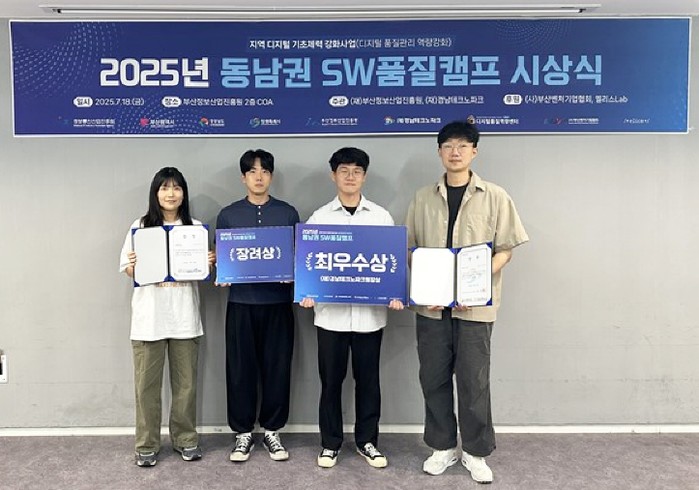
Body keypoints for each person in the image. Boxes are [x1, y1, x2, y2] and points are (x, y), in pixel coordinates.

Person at [405, 121, 529, 483]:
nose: (455, 152)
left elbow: (506, 249)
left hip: (475, 307)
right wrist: (432, 283)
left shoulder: (495, 196)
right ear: (439, 152)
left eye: (462, 146)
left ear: (474, 151)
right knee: (433, 378)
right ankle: (442, 447)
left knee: (474, 382)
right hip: (431, 308)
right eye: (448, 146)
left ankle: (475, 452)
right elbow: (411, 248)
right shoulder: (422, 197)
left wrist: (471, 283)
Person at [299, 147, 404, 469]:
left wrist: (395, 292)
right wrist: (307, 291)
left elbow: (391, 263)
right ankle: (330, 443)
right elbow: (309, 262)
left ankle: (367, 441)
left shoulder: (381, 217)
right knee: (330, 383)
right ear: (333, 175)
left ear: (364, 176)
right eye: (343, 170)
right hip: (330, 318)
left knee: (368, 383)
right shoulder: (320, 218)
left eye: (356, 171)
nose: (350, 176)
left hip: (370, 318)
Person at [119, 167, 215, 467]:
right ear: (156, 193)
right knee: (146, 388)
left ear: (183, 193)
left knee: (186, 386)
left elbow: (202, 271)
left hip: (184, 318)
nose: (171, 194)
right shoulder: (140, 226)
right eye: (164, 188)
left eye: (176, 188)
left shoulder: (195, 229)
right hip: (149, 320)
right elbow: (128, 269)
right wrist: (134, 264)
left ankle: (185, 439)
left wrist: (208, 261)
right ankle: (146, 443)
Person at [216, 149, 300, 463]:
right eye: (252, 171)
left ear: (271, 176)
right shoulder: (228, 214)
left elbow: (300, 257)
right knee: (240, 370)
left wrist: (291, 273)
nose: (259, 176)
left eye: (264, 170)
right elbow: (222, 257)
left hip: (278, 304)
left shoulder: (287, 213)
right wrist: (221, 272)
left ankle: (272, 431)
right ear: (243, 177)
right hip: (241, 304)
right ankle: (242, 433)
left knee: (278, 368)